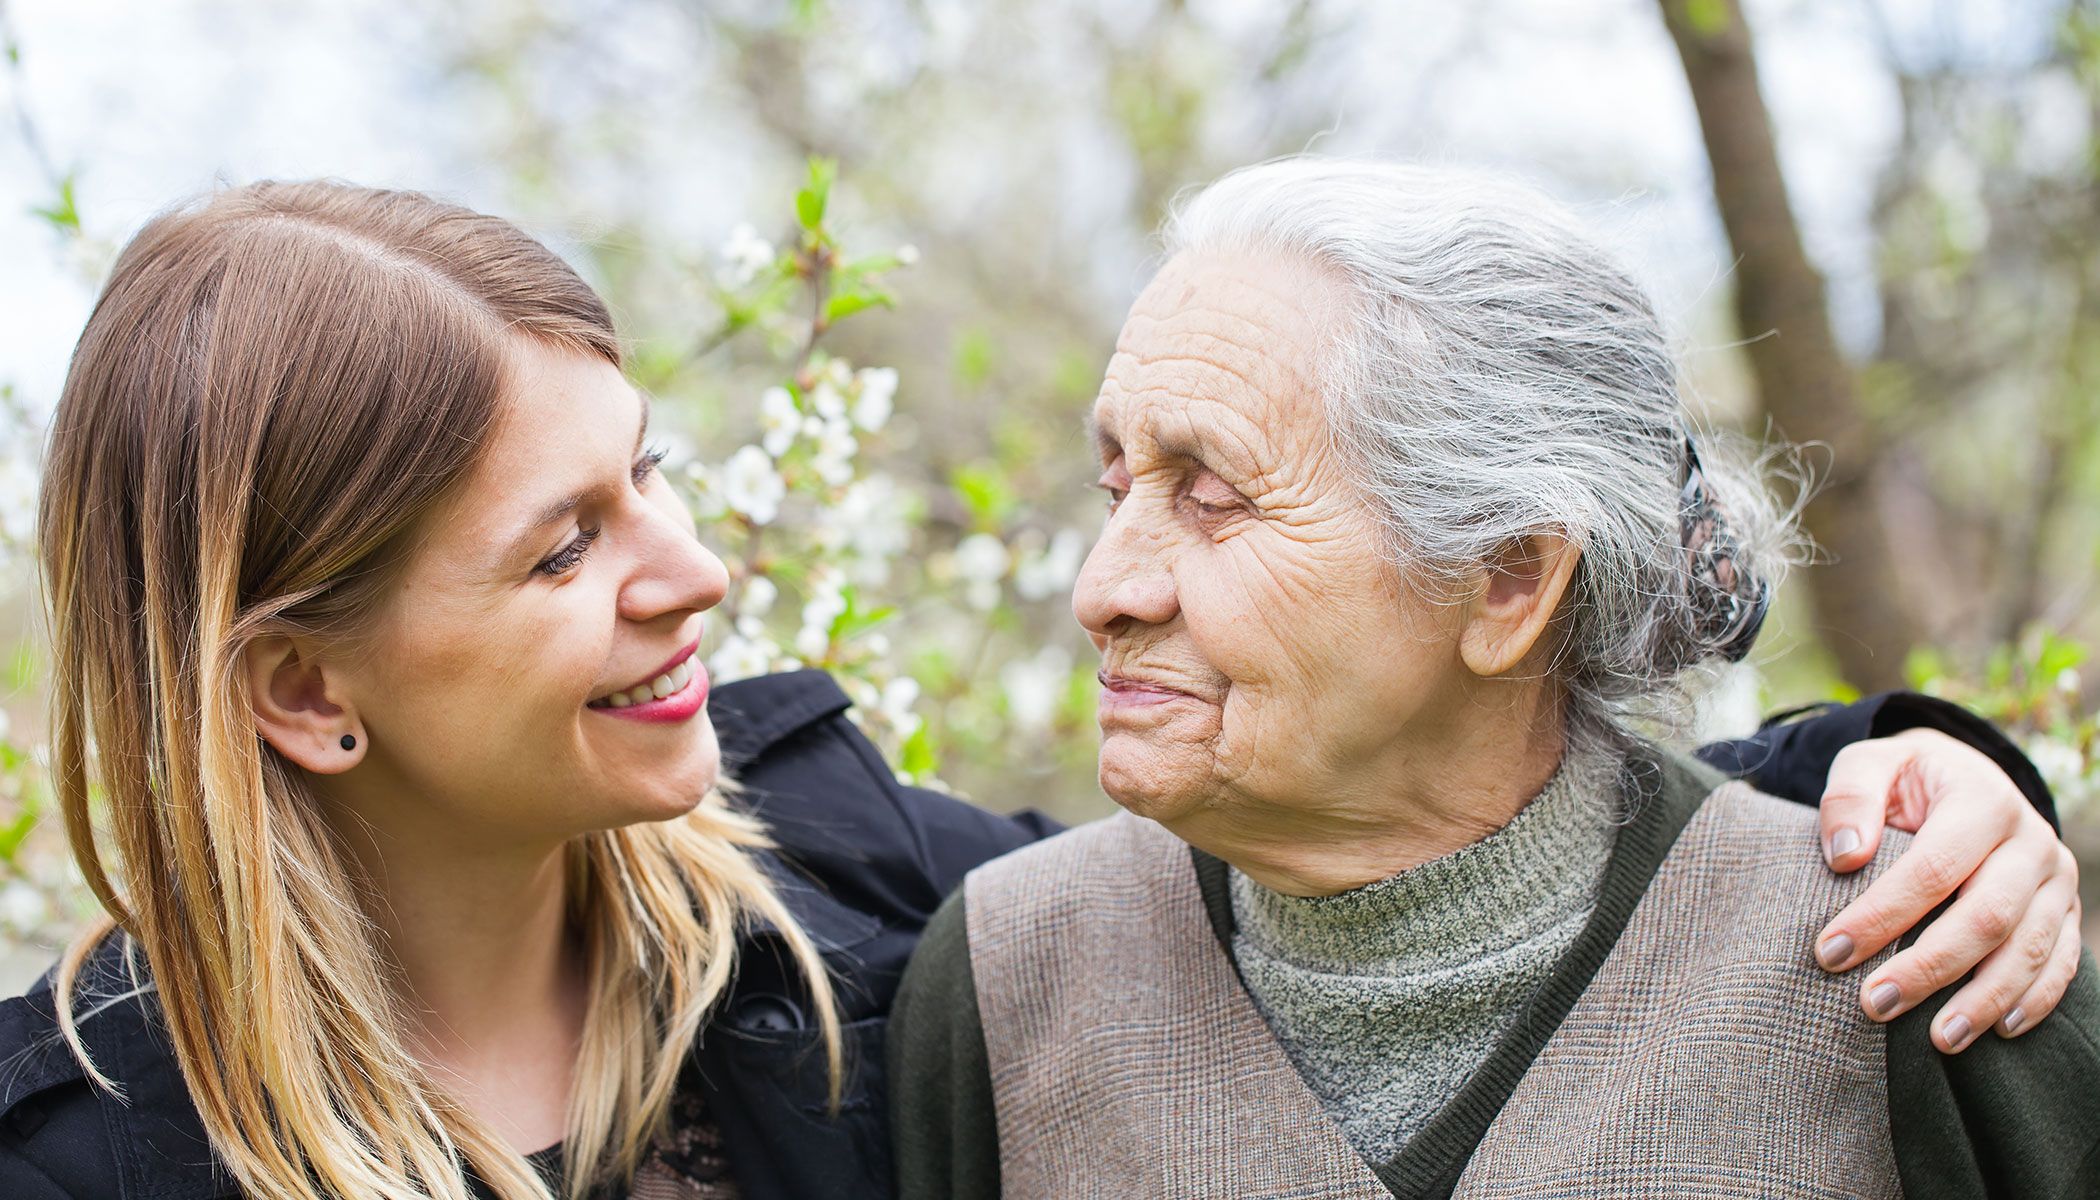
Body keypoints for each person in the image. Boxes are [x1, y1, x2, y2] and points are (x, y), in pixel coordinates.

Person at [0, 179, 2077, 1200]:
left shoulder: (833, 894)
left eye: (651, 473)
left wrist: (1913, 779)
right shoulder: (77, 1156)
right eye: (564, 545)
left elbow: (1431, 836)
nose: (696, 569)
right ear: (302, 694)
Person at [886, 159, 2100, 1199]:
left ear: (1510, 582)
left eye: (1214, 499)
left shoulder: (1921, 957)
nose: (1106, 587)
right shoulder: (1003, 979)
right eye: (1117, 490)